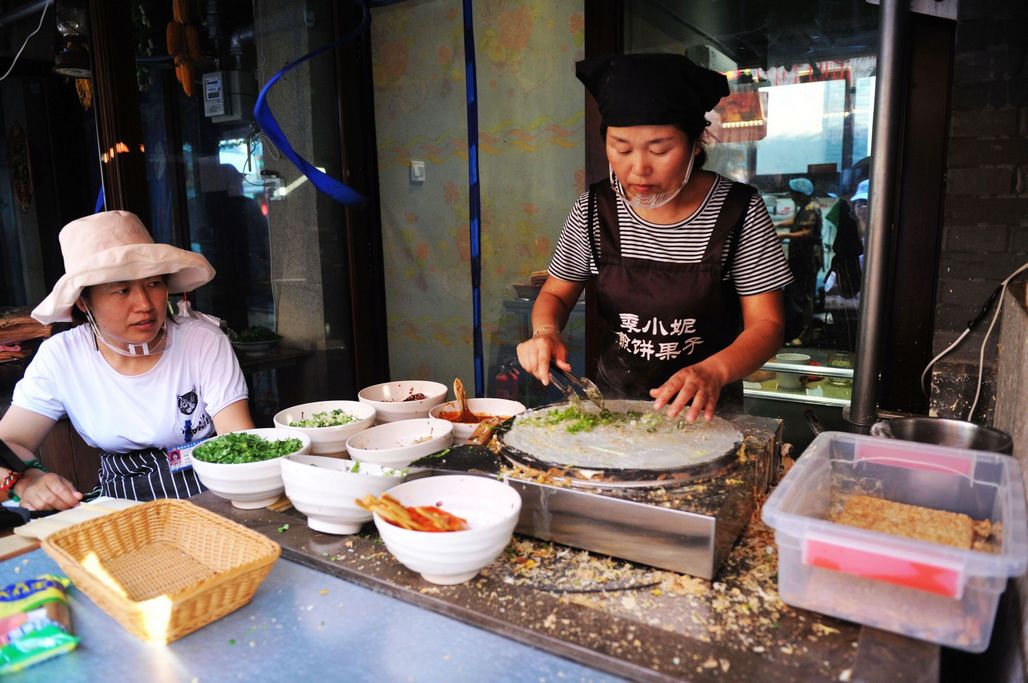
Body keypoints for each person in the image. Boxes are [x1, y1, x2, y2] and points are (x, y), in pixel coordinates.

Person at [517, 53, 792, 423]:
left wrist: (714, 371)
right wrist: (545, 331)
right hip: (614, 407)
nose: (639, 168)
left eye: (660, 149)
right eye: (622, 148)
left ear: (696, 143)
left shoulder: (739, 212)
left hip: (708, 413)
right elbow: (554, 293)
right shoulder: (594, 211)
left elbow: (768, 324)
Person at [0, 211, 254, 511]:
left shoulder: (202, 341)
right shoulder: (61, 357)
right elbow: (10, 441)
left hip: (210, 493)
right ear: (84, 301)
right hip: (119, 505)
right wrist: (25, 479)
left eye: (154, 284)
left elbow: (240, 441)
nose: (145, 304)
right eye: (122, 290)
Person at [777, 177, 823, 346]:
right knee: (795, 295)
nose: (791, 196)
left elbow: (807, 233)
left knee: (805, 296)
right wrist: (779, 224)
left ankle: (805, 335)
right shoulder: (804, 207)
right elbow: (797, 221)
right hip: (799, 257)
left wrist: (783, 235)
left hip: (808, 258)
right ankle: (795, 331)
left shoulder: (812, 207)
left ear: (801, 194)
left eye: (793, 193)